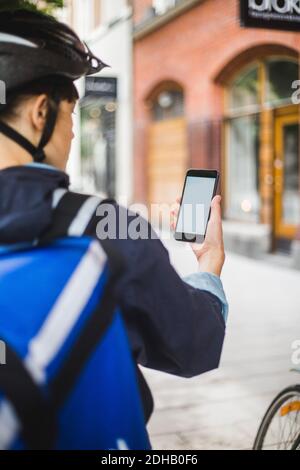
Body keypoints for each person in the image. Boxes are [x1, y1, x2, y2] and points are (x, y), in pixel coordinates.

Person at [0, 7, 228, 438]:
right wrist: (209, 264)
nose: (70, 135)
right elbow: (193, 344)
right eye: (69, 116)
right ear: (40, 113)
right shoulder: (104, 227)